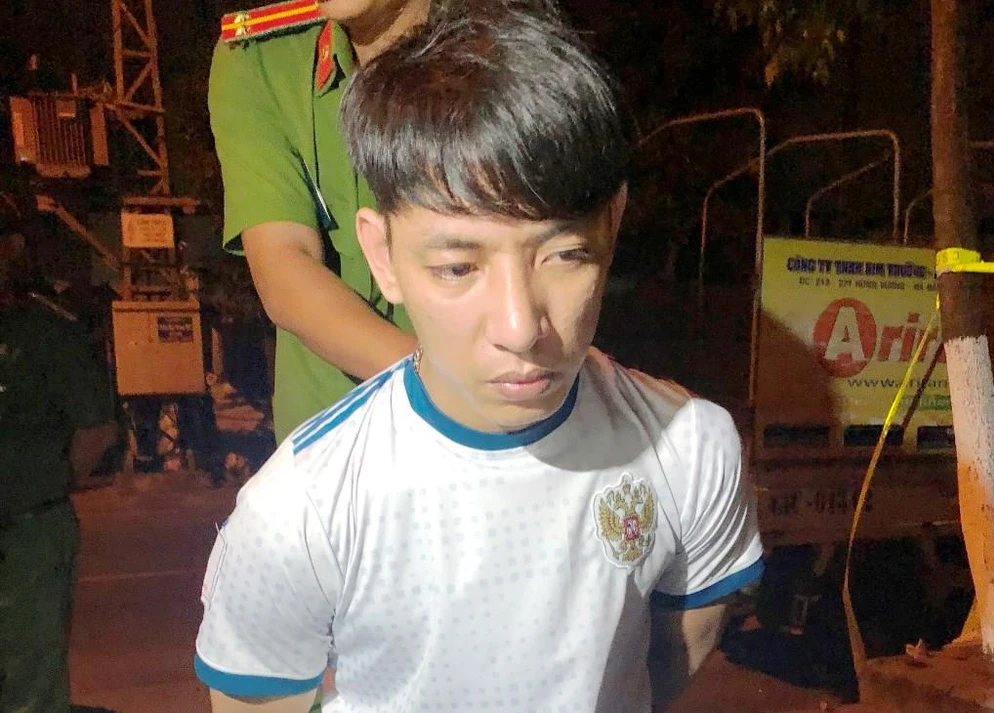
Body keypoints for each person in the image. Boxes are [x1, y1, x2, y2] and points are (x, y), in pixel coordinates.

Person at [194, 5, 764, 712]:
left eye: (565, 253)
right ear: (384, 255)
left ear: (612, 224)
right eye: (458, 266)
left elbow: (662, 661)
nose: (520, 327)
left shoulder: (689, 450)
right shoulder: (297, 512)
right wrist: (450, 410)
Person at [209, 0, 433, 442]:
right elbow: (282, 266)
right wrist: (445, 388)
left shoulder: (506, 41)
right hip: (335, 450)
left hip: (509, 437)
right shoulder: (261, 57)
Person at [0, 229, 118, 713]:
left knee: (28, 682)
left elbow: (96, 429)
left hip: (26, 531)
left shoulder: (45, 332)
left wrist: (40, 484)